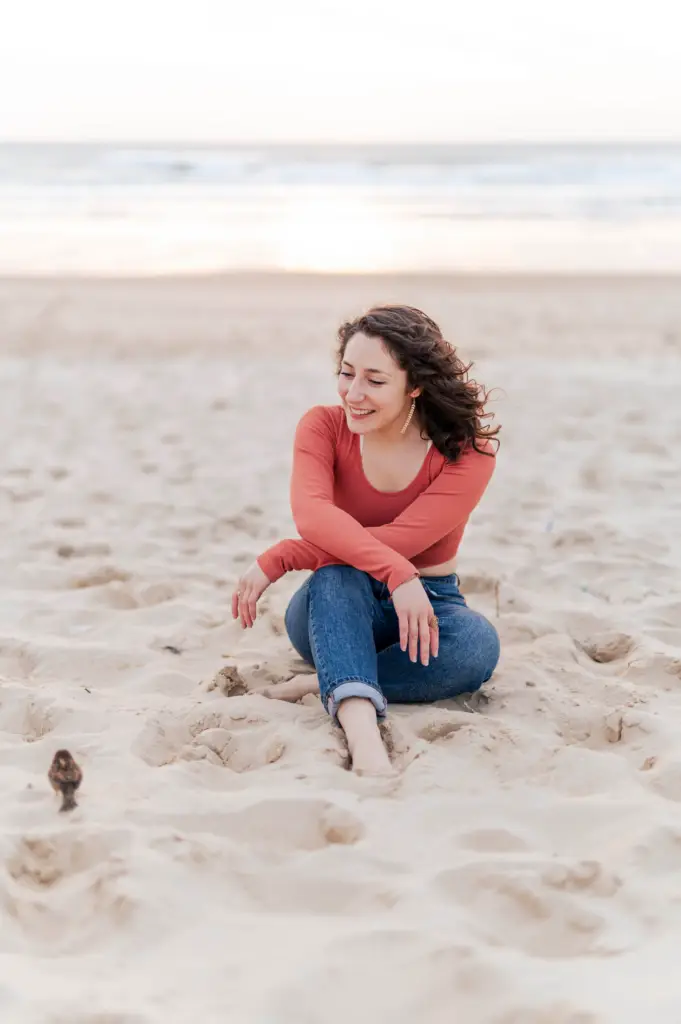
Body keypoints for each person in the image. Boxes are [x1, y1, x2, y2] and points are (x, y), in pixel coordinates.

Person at [231, 304, 501, 775]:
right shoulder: (322, 426)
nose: (354, 394)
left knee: (477, 645)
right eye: (346, 373)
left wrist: (284, 557)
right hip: (334, 600)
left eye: (375, 381)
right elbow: (312, 515)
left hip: (429, 600)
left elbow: (402, 537)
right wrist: (395, 573)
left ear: (414, 385)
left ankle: (328, 680)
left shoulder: (467, 453)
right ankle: (364, 737)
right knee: (339, 576)